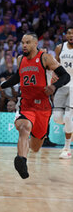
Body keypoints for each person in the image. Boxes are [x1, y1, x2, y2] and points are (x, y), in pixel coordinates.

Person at [0, 33, 70, 179]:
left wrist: (54, 86)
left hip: (43, 108)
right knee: (23, 127)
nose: (24, 45)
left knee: (35, 147)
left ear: (35, 43)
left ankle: (29, 149)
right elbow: (17, 77)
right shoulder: (20, 59)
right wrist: (1, 86)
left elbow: (66, 76)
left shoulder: (45, 58)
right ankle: (21, 161)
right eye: (22, 42)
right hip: (26, 104)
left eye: (27, 42)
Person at [53, 26, 73, 158]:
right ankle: (70, 126)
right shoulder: (60, 48)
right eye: (69, 33)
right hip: (62, 85)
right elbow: (55, 65)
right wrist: (53, 74)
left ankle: (66, 148)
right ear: (66, 35)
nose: (71, 35)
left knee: (67, 117)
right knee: (57, 118)